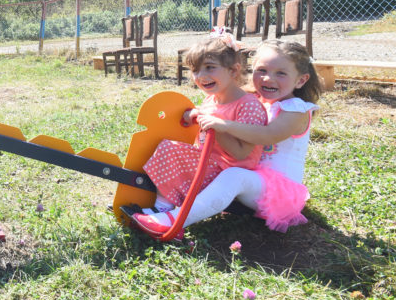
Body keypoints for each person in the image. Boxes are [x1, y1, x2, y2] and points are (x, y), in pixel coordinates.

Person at [132, 40, 323, 239]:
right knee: (226, 172)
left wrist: (222, 125)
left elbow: (268, 135)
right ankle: (161, 205)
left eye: (281, 73)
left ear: (301, 80)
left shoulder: (296, 109)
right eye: (261, 70)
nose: (268, 78)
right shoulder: (256, 101)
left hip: (278, 192)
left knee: (234, 176)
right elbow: (224, 105)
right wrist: (200, 114)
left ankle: (173, 220)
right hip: (250, 178)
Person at [138, 32, 267, 228]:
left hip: (228, 172)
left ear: (233, 70)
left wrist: (216, 126)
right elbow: (207, 118)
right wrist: (196, 114)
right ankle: (159, 201)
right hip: (209, 162)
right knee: (165, 146)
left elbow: (242, 154)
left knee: (169, 149)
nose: (201, 76)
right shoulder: (212, 99)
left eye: (210, 68)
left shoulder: (248, 106)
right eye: (195, 70)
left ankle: (163, 208)